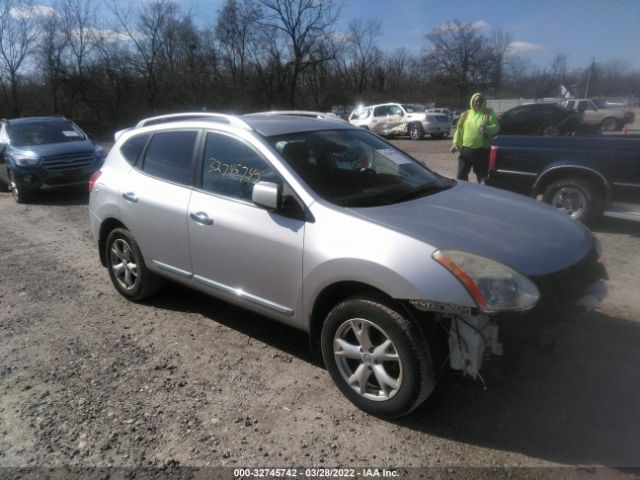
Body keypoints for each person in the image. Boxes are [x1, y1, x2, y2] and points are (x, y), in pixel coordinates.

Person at [450, 93, 499, 183]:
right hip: (465, 150)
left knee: (482, 176)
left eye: (480, 101)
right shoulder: (465, 114)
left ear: (483, 102)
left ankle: (482, 194)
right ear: (472, 101)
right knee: (461, 175)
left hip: (481, 150)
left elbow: (496, 126)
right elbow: (458, 130)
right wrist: (455, 143)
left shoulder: (488, 113)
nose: (478, 103)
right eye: (476, 101)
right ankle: (463, 193)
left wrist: (487, 129)